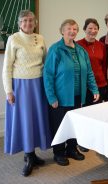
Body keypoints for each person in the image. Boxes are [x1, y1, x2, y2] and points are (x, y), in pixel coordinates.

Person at [43, 19, 99, 166]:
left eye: (75, 29)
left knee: (74, 124)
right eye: (69, 28)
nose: (72, 31)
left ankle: (72, 148)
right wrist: (51, 97)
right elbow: (47, 75)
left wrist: (94, 88)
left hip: (78, 95)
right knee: (60, 125)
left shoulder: (81, 50)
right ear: (62, 31)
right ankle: (59, 152)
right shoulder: (55, 49)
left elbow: (89, 72)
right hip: (60, 97)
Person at [2, 10, 51, 176]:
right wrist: (9, 91)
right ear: (19, 23)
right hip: (20, 86)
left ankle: (33, 153)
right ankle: (28, 156)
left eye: (31, 20)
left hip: (38, 84)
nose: (28, 23)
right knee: (25, 121)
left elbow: (46, 62)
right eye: (24, 21)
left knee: (36, 120)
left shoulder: (41, 38)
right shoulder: (13, 39)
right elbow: (7, 67)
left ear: (35, 22)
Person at [76, 18, 107, 152]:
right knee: (85, 114)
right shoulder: (78, 45)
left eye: (95, 28)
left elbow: (104, 65)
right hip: (86, 85)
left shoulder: (101, 46)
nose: (93, 31)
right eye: (90, 28)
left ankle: (95, 139)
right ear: (84, 29)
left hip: (101, 83)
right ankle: (83, 141)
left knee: (98, 114)